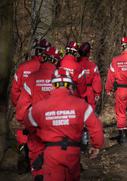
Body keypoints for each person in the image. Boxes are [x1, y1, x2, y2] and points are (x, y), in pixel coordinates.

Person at [24, 69, 104, 181]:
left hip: (51, 153)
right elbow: (96, 127)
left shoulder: (39, 107)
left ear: (52, 86)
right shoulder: (81, 105)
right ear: (70, 86)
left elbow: (28, 123)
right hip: (73, 152)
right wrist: (96, 145)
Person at [16, 47, 60, 180]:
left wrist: (22, 119)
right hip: (55, 123)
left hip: (36, 122)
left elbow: (23, 103)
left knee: (36, 151)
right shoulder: (60, 77)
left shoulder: (32, 78)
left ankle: (38, 175)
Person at [10, 38, 51, 173]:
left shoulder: (23, 68)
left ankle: (26, 162)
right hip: (47, 116)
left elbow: (15, 91)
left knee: (26, 140)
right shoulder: (49, 71)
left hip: (26, 111)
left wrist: (19, 108)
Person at [78, 42, 102, 110]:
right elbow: (97, 82)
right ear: (88, 53)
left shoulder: (75, 64)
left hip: (77, 91)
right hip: (89, 93)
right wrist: (97, 94)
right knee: (90, 115)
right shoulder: (93, 66)